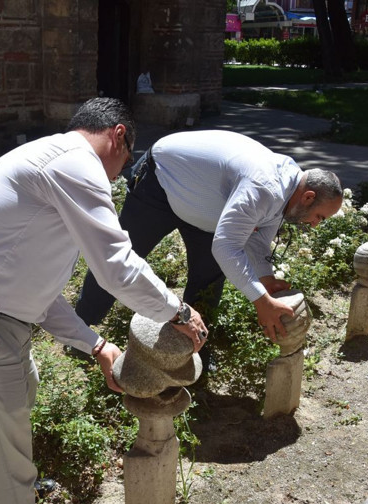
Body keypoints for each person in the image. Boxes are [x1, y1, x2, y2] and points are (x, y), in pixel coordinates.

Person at [0, 97, 207, 504]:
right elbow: (116, 267)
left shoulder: (48, 160)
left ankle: (15, 498)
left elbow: (39, 293)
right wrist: (178, 311)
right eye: (124, 165)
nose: (119, 177)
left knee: (20, 401)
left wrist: (96, 345)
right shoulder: (75, 163)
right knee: (4, 452)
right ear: (119, 135)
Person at [76, 129, 343, 345]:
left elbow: (257, 241)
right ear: (308, 197)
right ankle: (81, 332)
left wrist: (267, 281)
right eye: (320, 217)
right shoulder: (266, 188)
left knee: (208, 280)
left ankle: (194, 349)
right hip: (160, 184)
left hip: (204, 207)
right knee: (118, 261)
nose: (316, 225)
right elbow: (227, 246)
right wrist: (261, 301)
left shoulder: (288, 193)